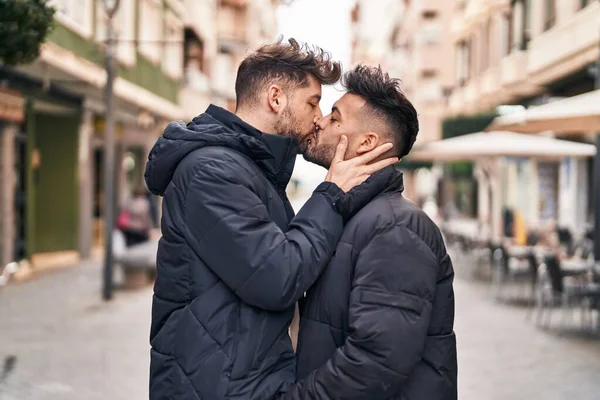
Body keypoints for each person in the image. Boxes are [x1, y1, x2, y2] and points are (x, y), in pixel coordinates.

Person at [144, 39, 399, 400]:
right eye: (312, 102)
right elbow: (278, 276)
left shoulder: (251, 170)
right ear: (276, 98)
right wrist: (330, 194)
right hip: (213, 386)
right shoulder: (212, 171)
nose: (318, 118)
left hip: (236, 380)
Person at [282, 65, 458, 400]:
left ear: (367, 143)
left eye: (335, 118)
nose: (319, 121)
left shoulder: (396, 227)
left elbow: (375, 361)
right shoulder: (350, 216)